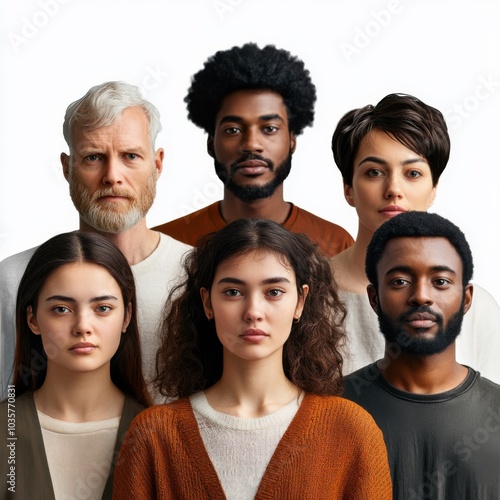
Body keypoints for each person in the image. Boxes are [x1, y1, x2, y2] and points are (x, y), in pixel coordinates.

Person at [113, 219, 391, 499]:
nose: (253, 311)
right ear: (208, 303)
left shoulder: (352, 431)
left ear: (300, 302)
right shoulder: (153, 436)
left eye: (274, 292)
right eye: (233, 292)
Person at [0, 81, 191, 399]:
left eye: (130, 155)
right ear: (67, 167)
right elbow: (7, 407)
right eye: (93, 157)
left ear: (157, 165)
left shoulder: (199, 273)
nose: (112, 175)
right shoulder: (14, 278)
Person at [330, 93, 500, 381]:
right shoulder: (305, 297)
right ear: (348, 188)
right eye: (374, 172)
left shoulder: (476, 308)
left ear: (433, 188)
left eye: (412, 173)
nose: (394, 188)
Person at [343, 211, 500, 499]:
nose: (421, 296)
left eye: (440, 281)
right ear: (374, 297)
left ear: (466, 299)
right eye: (400, 281)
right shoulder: (331, 411)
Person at [152, 43, 353, 256]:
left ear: (292, 139)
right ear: (211, 143)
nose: (251, 144)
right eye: (233, 130)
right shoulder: (165, 246)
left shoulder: (336, 245)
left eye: (269, 128)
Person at [0, 232, 151, 499]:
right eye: (61, 309)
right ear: (33, 319)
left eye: (103, 308)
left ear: (126, 317)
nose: (83, 326)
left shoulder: (159, 435)